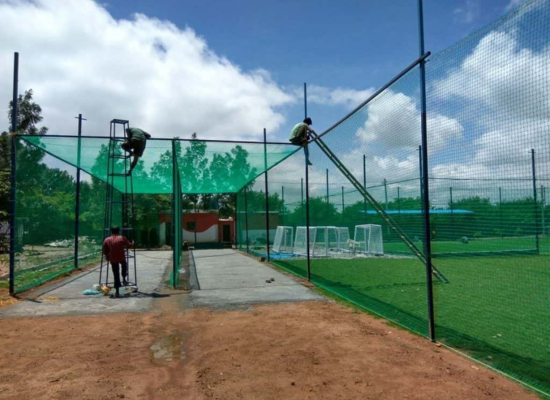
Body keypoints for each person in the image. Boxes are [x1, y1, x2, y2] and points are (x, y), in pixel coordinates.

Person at [102, 226, 134, 298]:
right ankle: (124, 278)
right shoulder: (122, 238)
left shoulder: (107, 239)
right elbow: (129, 245)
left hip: (112, 258)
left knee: (116, 274)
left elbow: (104, 250)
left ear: (111, 231)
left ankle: (117, 292)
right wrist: (133, 243)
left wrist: (107, 256)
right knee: (124, 265)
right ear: (118, 231)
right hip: (121, 257)